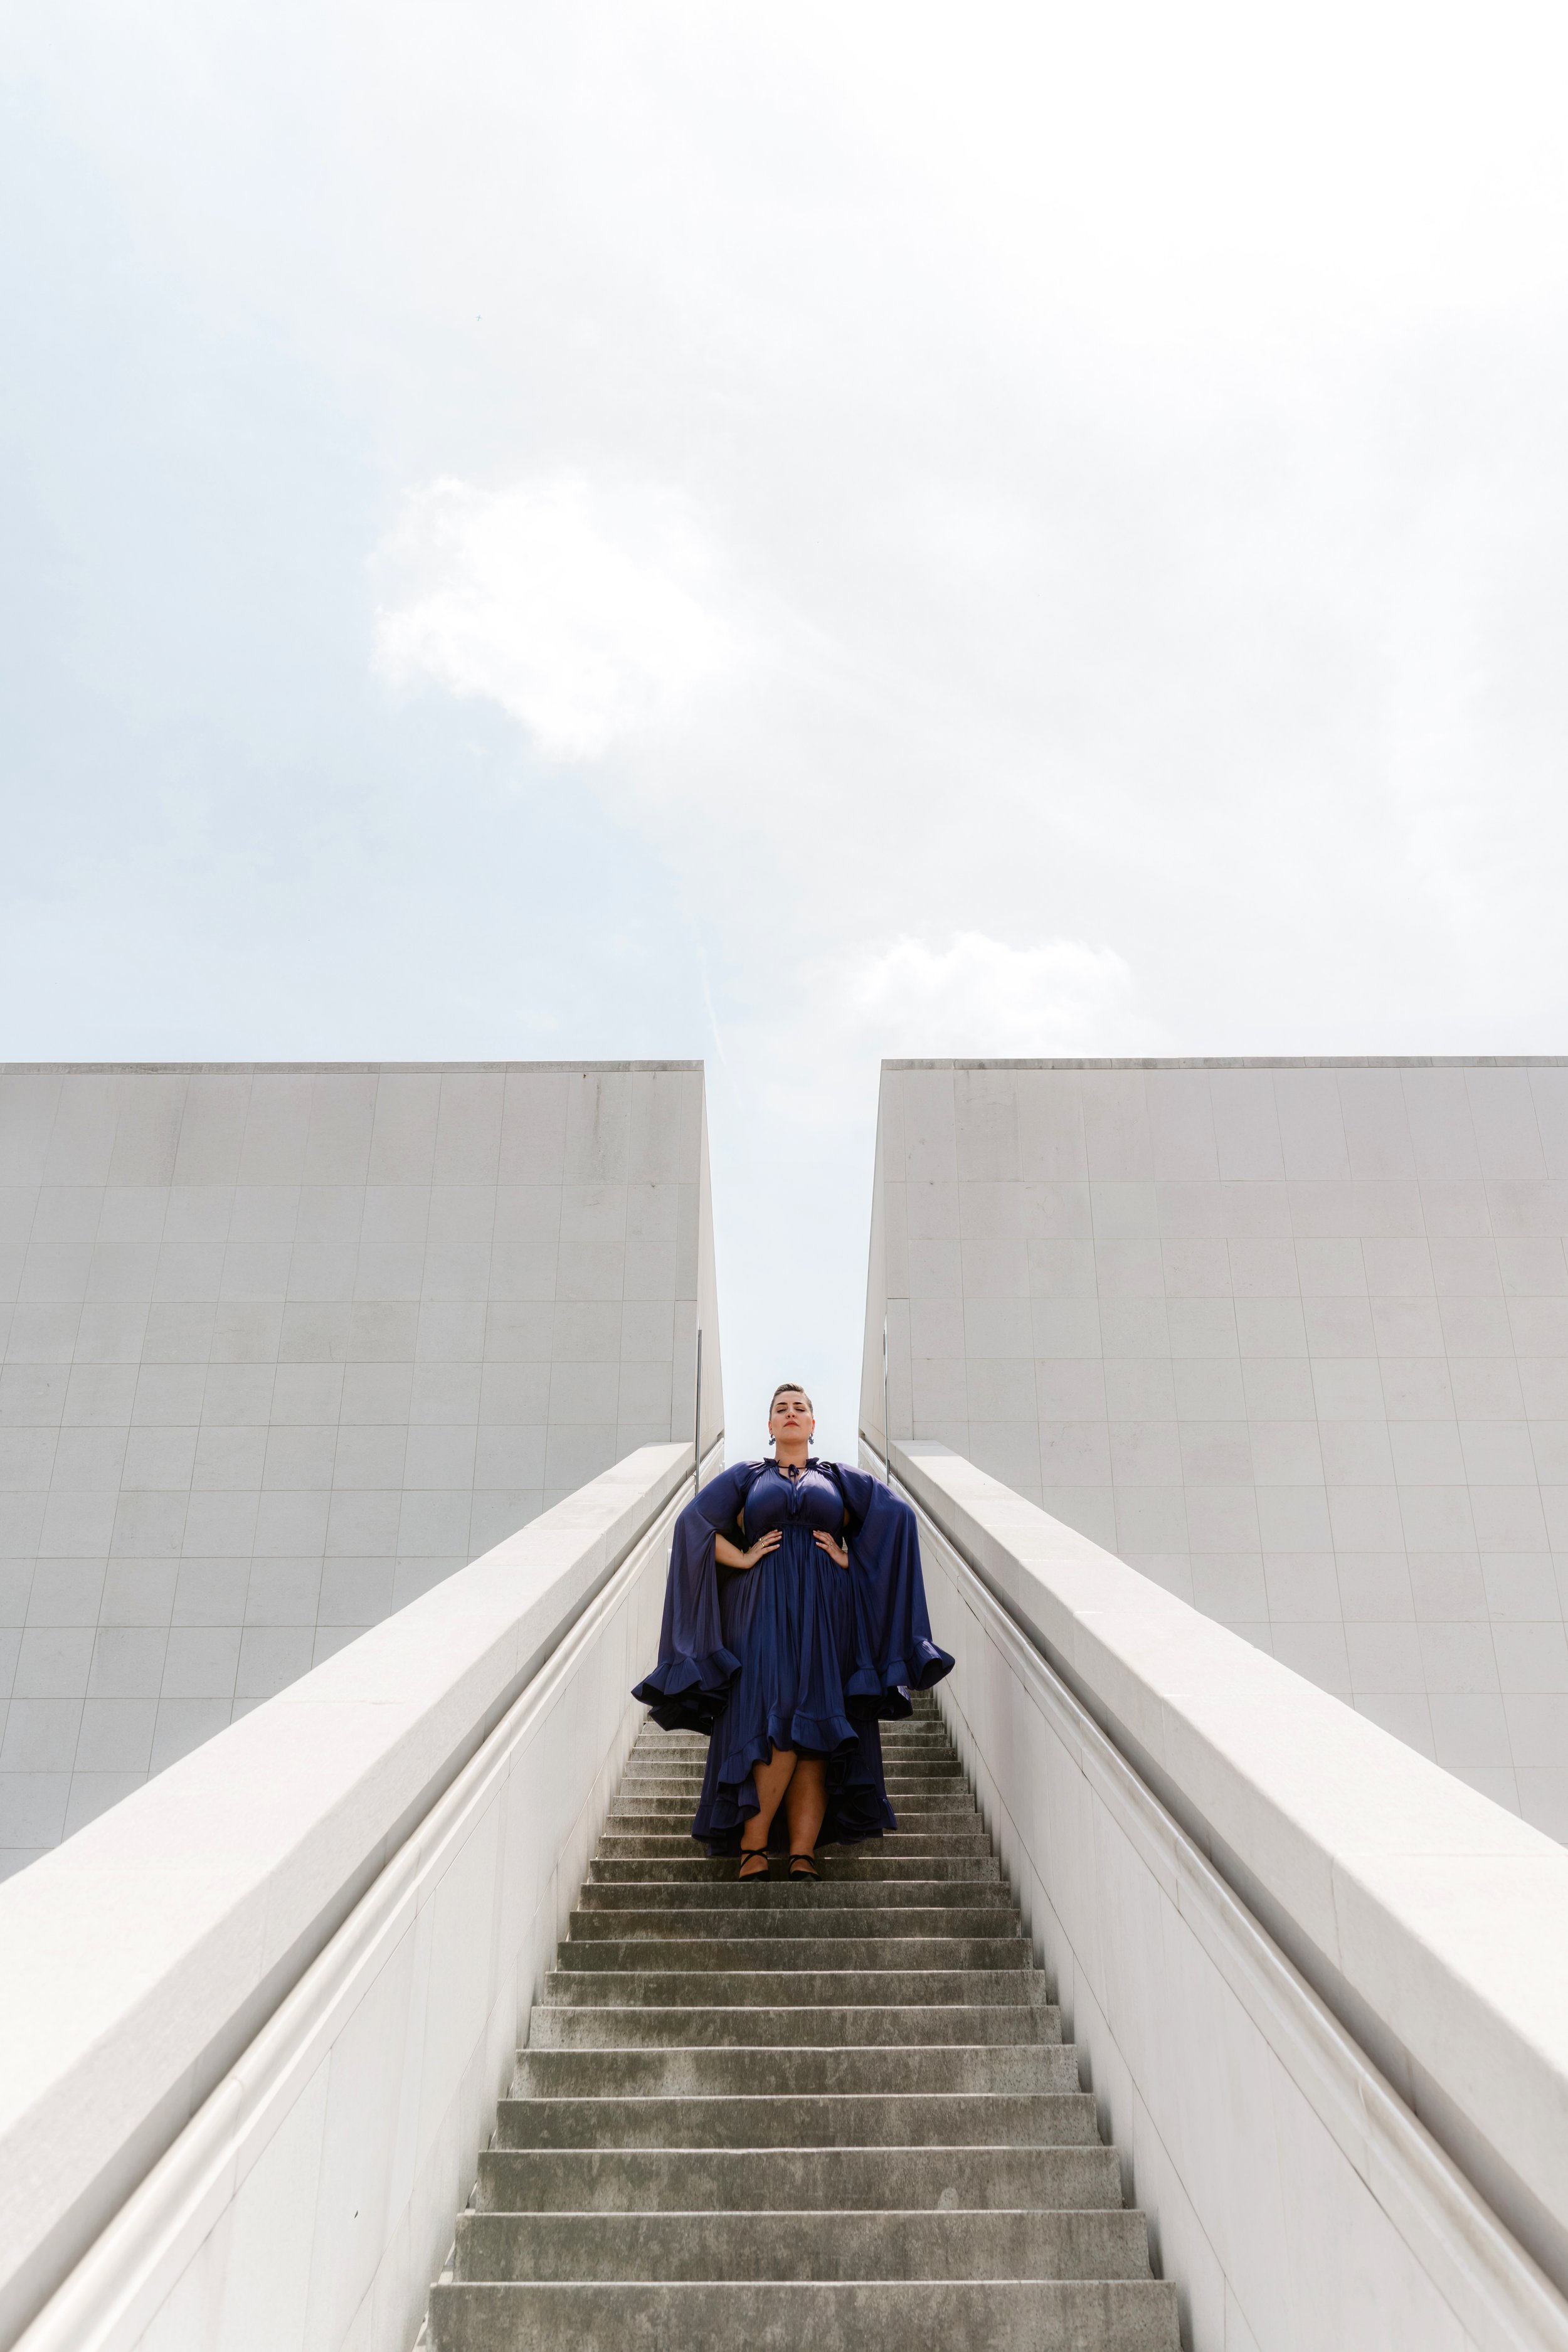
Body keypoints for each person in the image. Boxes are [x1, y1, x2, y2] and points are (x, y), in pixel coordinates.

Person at [632, 1383, 953, 1878]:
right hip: (761, 1608)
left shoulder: (838, 1478)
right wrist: (741, 1555)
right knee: (776, 1716)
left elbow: (899, 1518)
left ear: (813, 1423)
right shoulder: (747, 1476)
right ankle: (753, 1845)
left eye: (799, 1408)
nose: (790, 1414)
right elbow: (692, 1525)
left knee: (819, 1724)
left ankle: (803, 1851)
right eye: (780, 1408)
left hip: (828, 1611)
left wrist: (854, 1559)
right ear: (769, 1425)